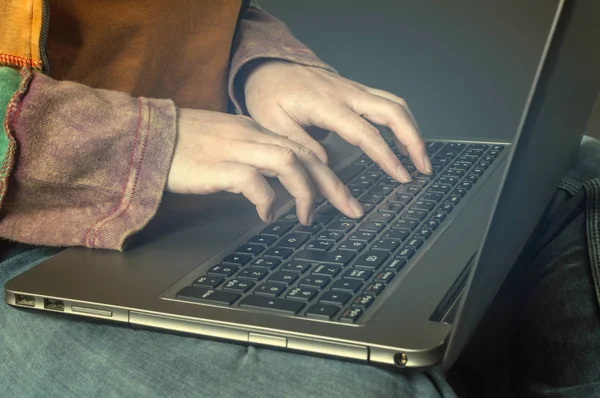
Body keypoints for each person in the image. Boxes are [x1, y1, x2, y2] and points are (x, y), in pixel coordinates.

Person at [0, 1, 599, 396]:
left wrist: (260, 65)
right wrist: (137, 143)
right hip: (25, 237)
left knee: (575, 178)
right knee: (361, 386)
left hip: (220, 177)